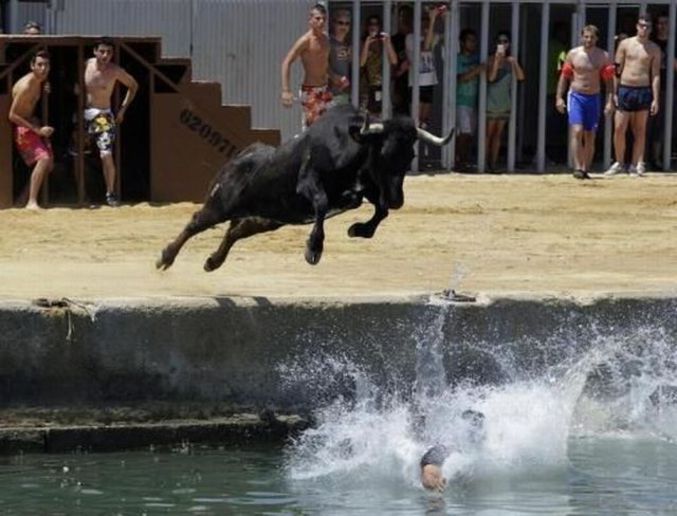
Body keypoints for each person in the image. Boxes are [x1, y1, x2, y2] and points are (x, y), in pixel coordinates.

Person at [83, 37, 138, 206]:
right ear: (95, 51)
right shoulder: (86, 64)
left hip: (103, 115)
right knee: (76, 154)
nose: (106, 55)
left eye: (109, 52)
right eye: (102, 51)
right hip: (84, 114)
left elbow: (134, 86)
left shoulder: (115, 71)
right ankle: (81, 194)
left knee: (106, 154)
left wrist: (122, 110)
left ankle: (110, 193)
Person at [556, 25, 615, 179]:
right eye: (586, 37)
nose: (589, 40)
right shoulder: (573, 54)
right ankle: (577, 167)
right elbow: (564, 77)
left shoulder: (603, 56)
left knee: (590, 134)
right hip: (576, 96)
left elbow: (609, 81)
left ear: (597, 38)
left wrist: (610, 101)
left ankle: (585, 168)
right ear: (582, 37)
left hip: (594, 97)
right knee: (577, 130)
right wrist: (559, 97)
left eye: (592, 37)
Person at [605, 15, 661, 178]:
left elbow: (656, 75)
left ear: (651, 29)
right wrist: (614, 93)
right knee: (619, 128)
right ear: (637, 26)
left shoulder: (654, 49)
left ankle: (635, 164)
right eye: (642, 26)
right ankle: (619, 162)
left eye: (647, 27)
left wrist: (656, 98)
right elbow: (616, 70)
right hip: (625, 89)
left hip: (643, 90)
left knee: (640, 130)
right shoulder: (625, 44)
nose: (644, 29)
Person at [8, 48, 54, 210]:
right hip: (23, 129)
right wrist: (37, 130)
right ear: (32, 66)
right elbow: (12, 115)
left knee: (48, 164)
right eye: (40, 65)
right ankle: (31, 202)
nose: (43, 69)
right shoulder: (27, 85)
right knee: (44, 159)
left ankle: (23, 199)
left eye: (46, 65)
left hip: (30, 125)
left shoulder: (38, 82)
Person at [281, 3, 332, 130]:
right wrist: (286, 90)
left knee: (328, 127)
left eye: (324, 19)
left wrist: (335, 77)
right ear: (310, 20)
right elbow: (286, 62)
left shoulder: (326, 39)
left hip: (325, 88)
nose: (321, 22)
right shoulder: (305, 41)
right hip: (311, 91)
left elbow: (324, 64)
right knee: (313, 130)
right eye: (318, 18)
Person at [486, 31, 525, 173]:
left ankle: (493, 163)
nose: (502, 44)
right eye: (500, 41)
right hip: (490, 101)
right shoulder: (491, 59)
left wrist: (514, 63)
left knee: (498, 134)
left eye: (505, 41)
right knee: (488, 134)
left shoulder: (511, 61)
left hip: (504, 101)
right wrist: (496, 62)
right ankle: (483, 162)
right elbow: (490, 78)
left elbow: (521, 77)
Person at [420, 410, 486, 492]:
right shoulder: (456, 441)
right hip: (437, 459)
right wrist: (431, 465)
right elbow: (442, 449)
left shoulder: (482, 452)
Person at [647, 12, 677, 170]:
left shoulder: (675, 43)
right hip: (650, 87)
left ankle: (660, 159)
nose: (662, 26)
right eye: (659, 23)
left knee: (665, 124)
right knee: (651, 124)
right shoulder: (651, 43)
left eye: (665, 23)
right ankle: (649, 158)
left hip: (671, 87)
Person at [405, 6, 442, 129]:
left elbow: (449, 38)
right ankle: (413, 147)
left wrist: (444, 17)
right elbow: (425, 46)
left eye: (427, 22)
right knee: (415, 121)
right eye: (423, 22)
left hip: (429, 82)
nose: (425, 25)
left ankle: (422, 146)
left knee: (424, 121)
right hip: (416, 83)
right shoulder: (411, 38)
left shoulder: (434, 37)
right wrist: (432, 20)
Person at [455, 28, 485, 172]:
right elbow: (460, 79)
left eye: (474, 40)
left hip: (474, 101)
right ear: (462, 42)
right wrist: (477, 70)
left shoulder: (478, 57)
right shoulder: (457, 58)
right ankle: (459, 162)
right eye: (470, 40)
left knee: (469, 134)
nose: (473, 43)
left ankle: (465, 161)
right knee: (464, 133)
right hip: (460, 100)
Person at [360, 15, 397, 117]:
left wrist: (387, 43)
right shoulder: (363, 41)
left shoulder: (384, 41)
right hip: (367, 86)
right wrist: (367, 44)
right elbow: (361, 63)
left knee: (383, 117)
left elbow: (394, 61)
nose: (373, 27)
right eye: (371, 24)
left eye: (376, 24)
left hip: (383, 84)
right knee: (367, 117)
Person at [391, 5, 413, 116]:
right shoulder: (393, 40)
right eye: (402, 16)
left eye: (408, 16)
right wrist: (400, 70)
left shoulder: (416, 39)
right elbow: (389, 69)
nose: (405, 19)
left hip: (417, 85)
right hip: (400, 85)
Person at [329, 9, 352, 106]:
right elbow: (321, 63)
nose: (344, 26)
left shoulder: (348, 44)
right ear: (333, 23)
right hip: (330, 93)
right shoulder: (328, 42)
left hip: (344, 93)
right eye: (340, 23)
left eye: (347, 24)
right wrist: (333, 76)